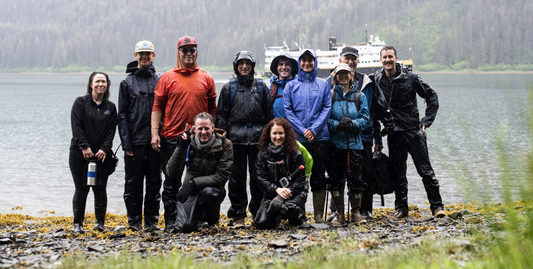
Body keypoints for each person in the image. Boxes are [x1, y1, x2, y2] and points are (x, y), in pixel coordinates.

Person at [151, 36, 217, 232]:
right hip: (172, 138)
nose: (189, 54)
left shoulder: (206, 77)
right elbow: (157, 107)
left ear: (196, 52)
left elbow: (213, 108)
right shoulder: (167, 77)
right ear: (178, 52)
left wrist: (213, 132)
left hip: (200, 140)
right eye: (184, 50)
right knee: (171, 181)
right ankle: (171, 220)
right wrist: (155, 133)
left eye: (192, 50)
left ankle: (195, 218)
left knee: (196, 180)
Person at [372, 45, 445, 218]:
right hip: (393, 133)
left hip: (414, 132)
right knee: (398, 173)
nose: (388, 60)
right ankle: (402, 209)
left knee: (425, 171)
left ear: (396, 58)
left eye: (391, 57)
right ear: (380, 60)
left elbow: (432, 96)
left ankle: (437, 207)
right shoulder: (376, 79)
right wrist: (377, 138)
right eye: (385, 57)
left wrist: (426, 122)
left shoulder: (410, 78)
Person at [216, 51, 273, 228]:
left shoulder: (262, 87)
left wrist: (269, 138)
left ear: (252, 66)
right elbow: (221, 116)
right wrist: (222, 139)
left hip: (258, 140)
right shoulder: (228, 88)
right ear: (236, 66)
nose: (244, 66)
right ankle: (238, 214)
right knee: (236, 179)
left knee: (258, 178)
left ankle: (257, 213)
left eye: (247, 63)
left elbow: (269, 116)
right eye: (241, 63)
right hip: (235, 141)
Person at [326, 47, 379, 221]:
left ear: (351, 75)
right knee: (335, 180)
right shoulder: (331, 94)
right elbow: (325, 119)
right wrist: (337, 125)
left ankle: (356, 212)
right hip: (335, 144)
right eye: (340, 73)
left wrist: (353, 124)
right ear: (336, 75)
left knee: (356, 179)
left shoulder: (360, 96)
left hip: (355, 145)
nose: (343, 76)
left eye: (346, 74)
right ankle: (339, 213)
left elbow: (366, 119)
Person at [118, 40, 163, 231]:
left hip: (156, 142)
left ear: (153, 56)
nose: (144, 57)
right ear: (135, 55)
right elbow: (122, 115)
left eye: (148, 53)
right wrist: (126, 142)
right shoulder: (126, 82)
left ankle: (152, 222)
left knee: (154, 184)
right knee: (133, 186)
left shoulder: (161, 79)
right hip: (135, 143)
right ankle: (134, 222)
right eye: (141, 53)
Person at [284, 49, 332, 223]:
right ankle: (299, 213)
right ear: (299, 63)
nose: (306, 64)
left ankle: (318, 215)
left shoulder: (323, 85)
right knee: (298, 176)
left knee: (319, 175)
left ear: (315, 62)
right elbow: (288, 111)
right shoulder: (291, 86)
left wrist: (314, 129)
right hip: (298, 138)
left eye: (310, 60)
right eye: (303, 60)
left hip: (320, 138)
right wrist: (303, 130)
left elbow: (327, 108)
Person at [165, 112, 233, 233]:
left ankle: (212, 220)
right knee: (186, 227)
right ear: (194, 129)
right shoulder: (188, 142)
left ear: (213, 127)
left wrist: (194, 182)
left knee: (209, 193)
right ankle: (196, 218)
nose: (203, 132)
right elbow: (170, 171)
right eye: (200, 129)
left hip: (212, 189)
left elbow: (222, 176)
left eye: (207, 128)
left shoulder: (225, 144)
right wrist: (181, 147)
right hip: (191, 191)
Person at [69, 72, 117, 233]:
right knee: (81, 188)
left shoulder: (110, 107)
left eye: (103, 81)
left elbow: (111, 131)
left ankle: (99, 223)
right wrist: (84, 146)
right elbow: (76, 127)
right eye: (97, 81)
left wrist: (104, 149)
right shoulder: (80, 103)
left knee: (100, 188)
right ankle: (77, 224)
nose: (100, 84)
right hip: (79, 154)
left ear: (107, 85)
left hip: (101, 156)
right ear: (91, 84)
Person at [254, 118, 306, 229]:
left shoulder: (295, 154)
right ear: (269, 134)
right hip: (271, 194)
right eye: (275, 133)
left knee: (291, 209)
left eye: (281, 133)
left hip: (293, 193)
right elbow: (260, 178)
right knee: (262, 224)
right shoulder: (262, 154)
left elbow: (301, 181)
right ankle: (277, 214)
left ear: (286, 134)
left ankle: (296, 214)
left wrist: (284, 194)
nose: (278, 137)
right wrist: (276, 189)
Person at [269, 53, 298, 118]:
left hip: (295, 127)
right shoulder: (270, 89)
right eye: (281, 64)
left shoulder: (299, 87)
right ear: (276, 68)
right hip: (277, 127)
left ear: (292, 68)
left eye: (287, 64)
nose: (284, 67)